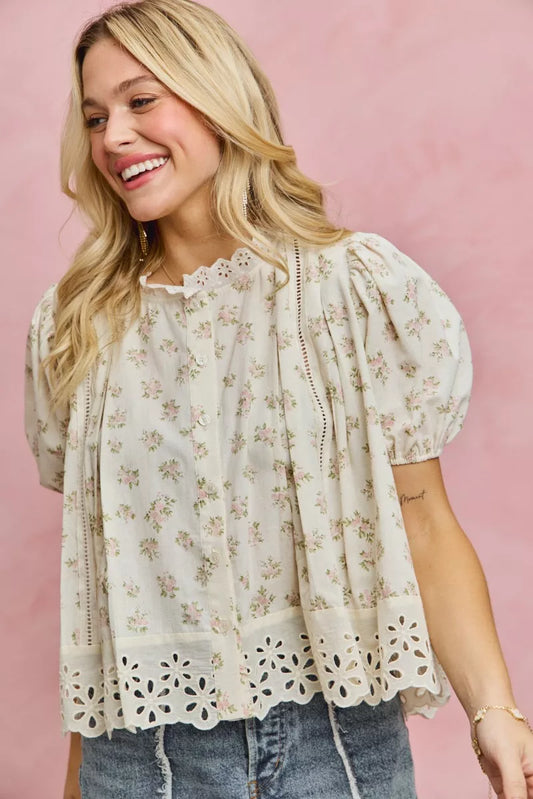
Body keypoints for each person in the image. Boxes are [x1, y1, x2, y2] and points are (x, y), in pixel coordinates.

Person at [24, 1, 533, 797]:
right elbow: (106, 591)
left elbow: (423, 519)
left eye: (140, 100)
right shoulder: (77, 324)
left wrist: (493, 711)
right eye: (95, 118)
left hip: (332, 743)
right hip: (139, 759)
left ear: (217, 99)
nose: (114, 136)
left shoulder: (352, 290)